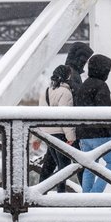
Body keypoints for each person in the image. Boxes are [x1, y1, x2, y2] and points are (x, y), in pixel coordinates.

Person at [39, 42, 93, 181]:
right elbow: (76, 97)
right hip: (67, 126)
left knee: (51, 162)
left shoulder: (63, 72)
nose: (85, 63)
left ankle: (40, 191)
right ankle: (85, 195)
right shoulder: (72, 74)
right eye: (85, 59)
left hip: (55, 127)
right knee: (78, 162)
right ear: (80, 58)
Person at [74, 54, 111, 193]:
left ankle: (87, 197)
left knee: (89, 166)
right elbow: (105, 112)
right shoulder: (101, 86)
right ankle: (95, 193)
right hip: (100, 133)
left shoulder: (84, 85)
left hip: (83, 134)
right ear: (103, 70)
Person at [35, 65, 77, 193]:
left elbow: (38, 115)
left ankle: (40, 190)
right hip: (60, 133)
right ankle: (61, 193)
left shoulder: (47, 91)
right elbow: (65, 117)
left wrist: (36, 138)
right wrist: (71, 137)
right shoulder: (65, 92)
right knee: (64, 166)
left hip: (47, 133)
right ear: (67, 76)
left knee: (50, 163)